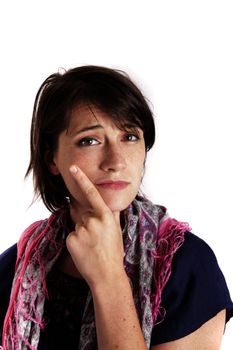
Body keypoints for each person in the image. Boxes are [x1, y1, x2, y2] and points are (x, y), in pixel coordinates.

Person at [0, 65, 232, 350]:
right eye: (90, 140)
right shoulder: (16, 270)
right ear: (52, 160)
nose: (116, 161)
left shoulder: (187, 266)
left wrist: (108, 275)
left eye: (130, 136)